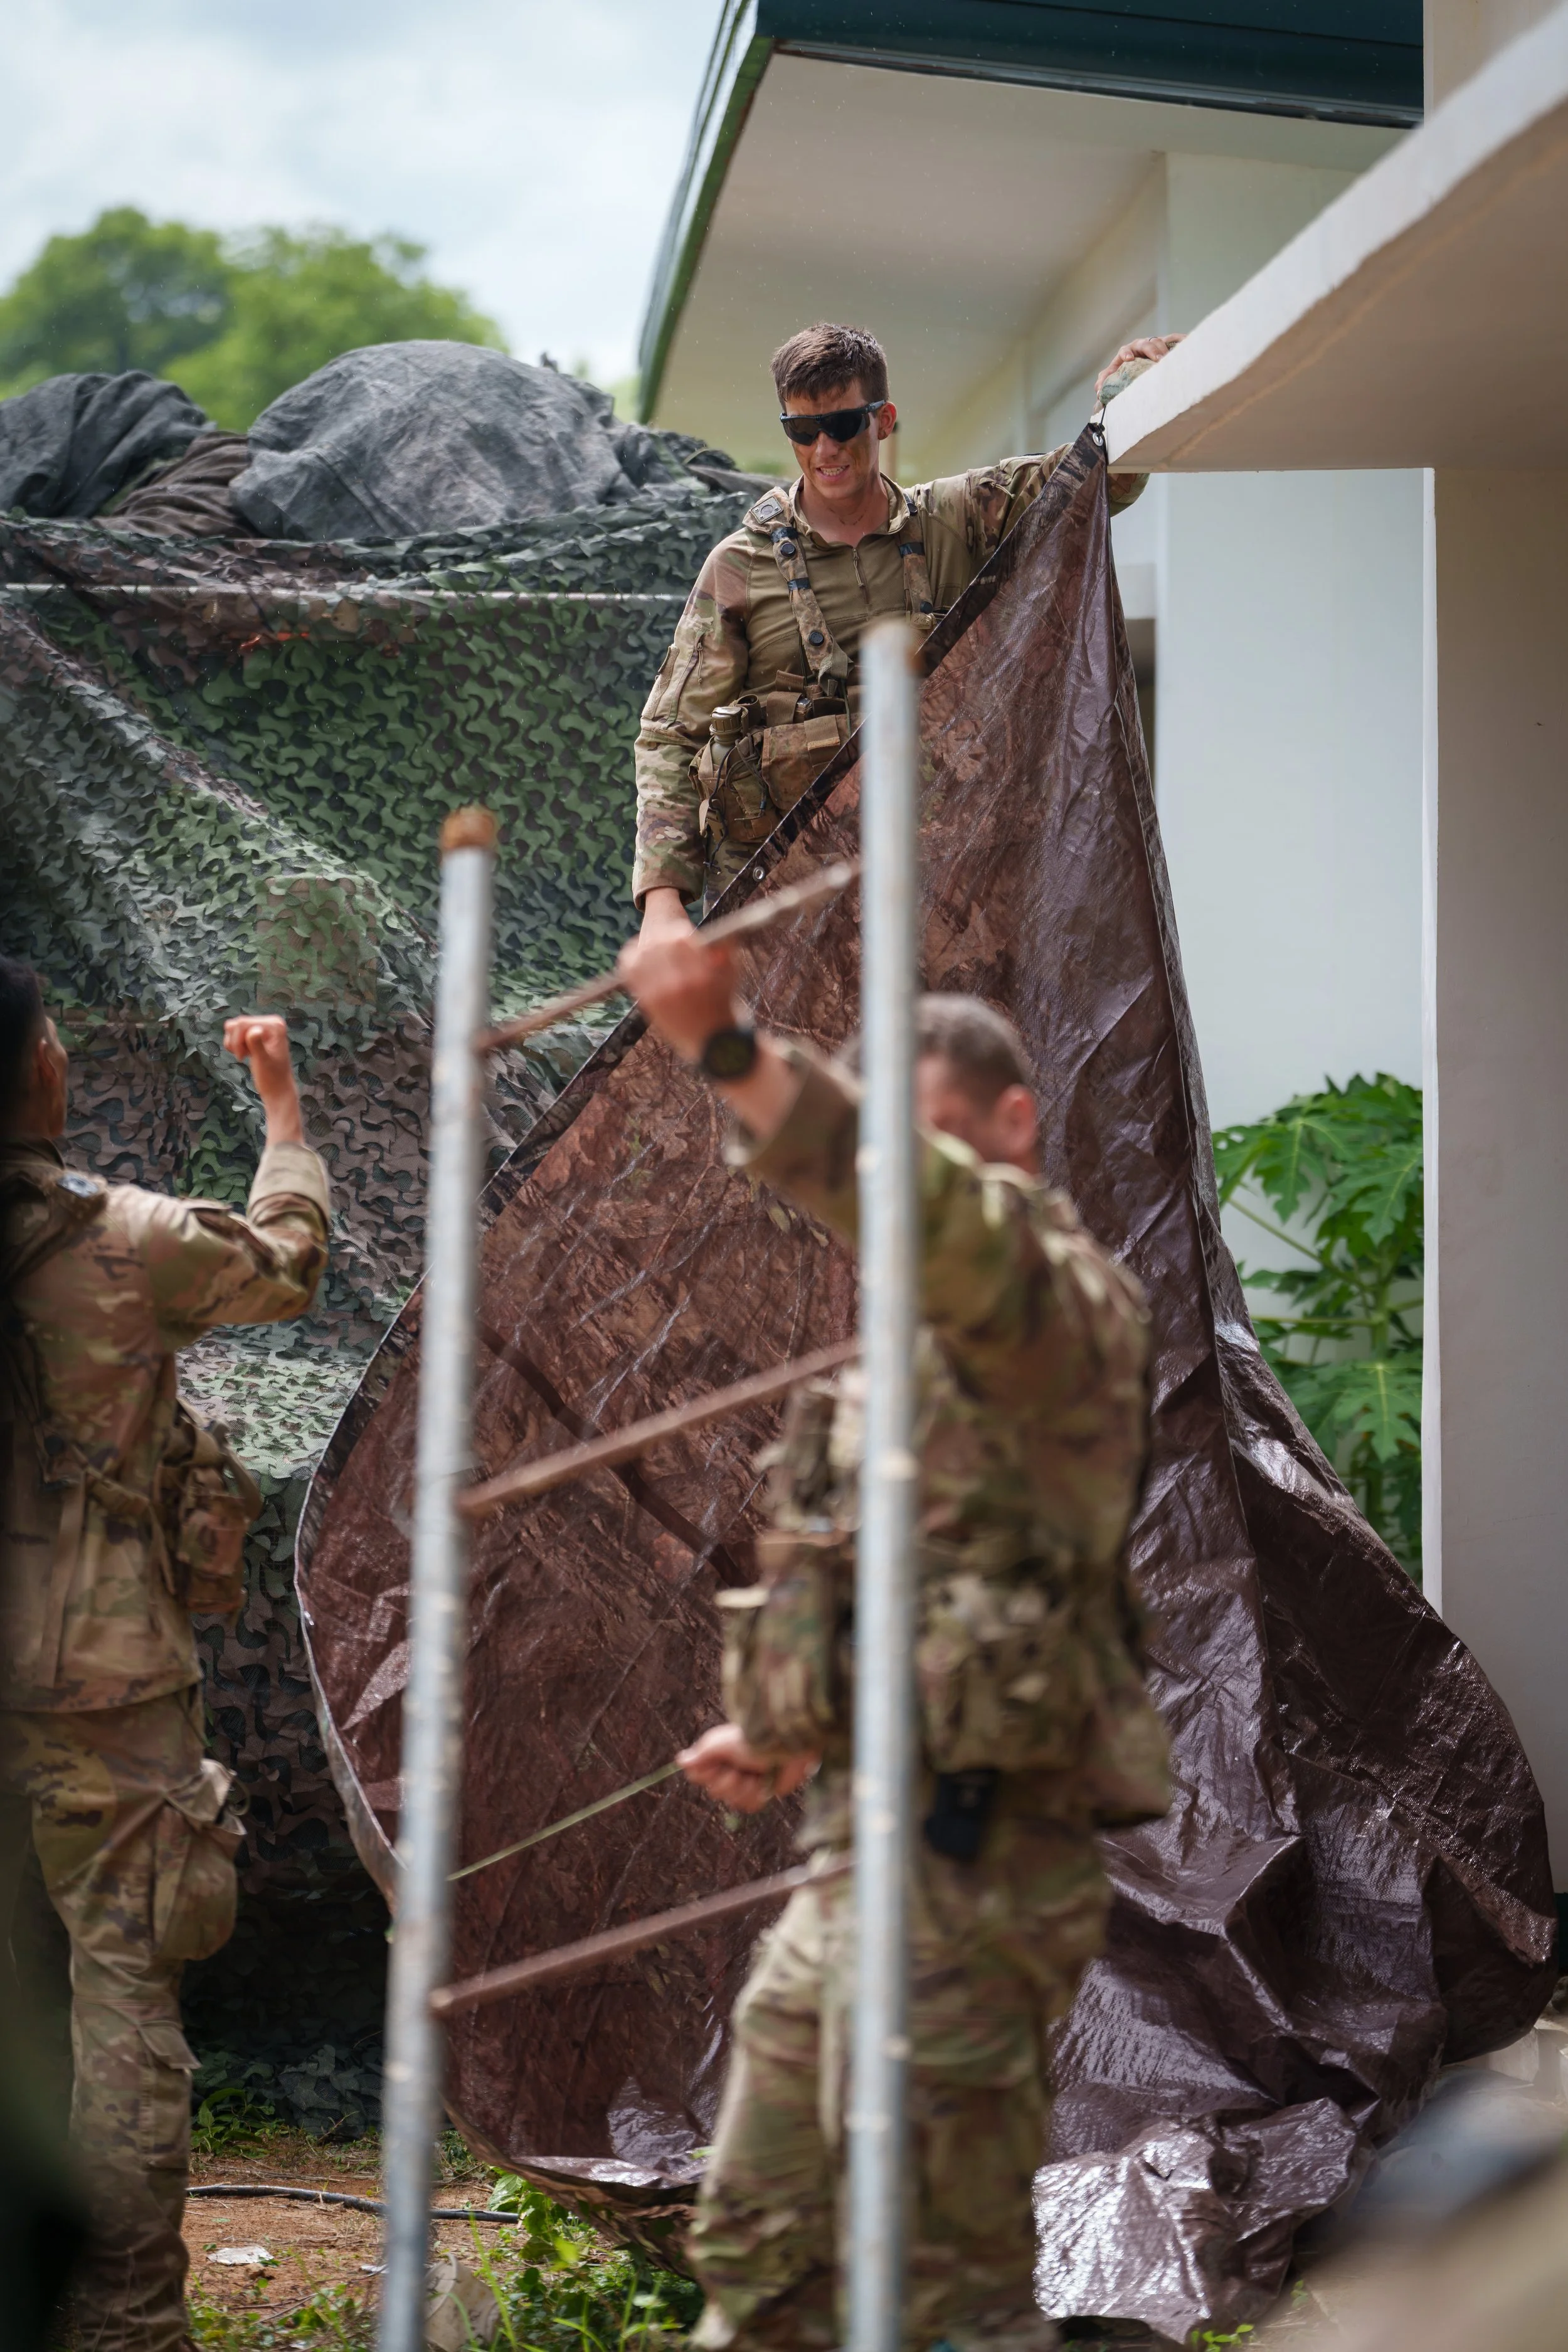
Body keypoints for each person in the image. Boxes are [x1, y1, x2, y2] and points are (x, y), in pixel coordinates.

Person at [616, 925, 1171, 2352]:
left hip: (980, 1873)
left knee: (941, 2293)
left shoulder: (1062, 1308)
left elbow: (941, 1219)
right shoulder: (896, 1382)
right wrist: (789, 1720)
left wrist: (734, 1053)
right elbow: (914, 1596)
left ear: (1013, 1128)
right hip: (852, 1849)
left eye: (921, 1152)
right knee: (759, 2234)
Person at [0, 958, 331, 2352]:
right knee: (122, 1996)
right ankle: (126, 2322)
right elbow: (292, 1265)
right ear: (37, 1074)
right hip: (104, 1685)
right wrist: (283, 1112)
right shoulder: (127, 1243)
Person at [632, 319, 1180, 929]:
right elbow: (670, 737)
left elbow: (1094, 482)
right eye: (802, 430)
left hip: (943, 899)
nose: (823, 450)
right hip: (783, 912)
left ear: (884, 420)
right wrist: (663, 905)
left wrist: (1130, 393)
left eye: (841, 426)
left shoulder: (959, 519)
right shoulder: (739, 567)